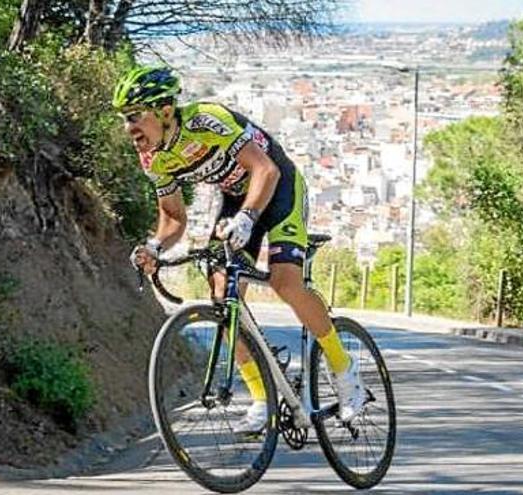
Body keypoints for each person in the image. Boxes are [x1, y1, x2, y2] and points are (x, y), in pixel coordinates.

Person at [119, 65, 365, 432]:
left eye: (135, 117)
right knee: (223, 297)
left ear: (165, 111)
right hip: (237, 201)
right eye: (125, 119)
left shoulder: (207, 120)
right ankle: (263, 398)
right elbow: (173, 217)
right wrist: (154, 246)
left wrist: (249, 217)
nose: (128, 128)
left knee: (285, 283)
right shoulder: (154, 158)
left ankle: (345, 371)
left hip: (278, 189)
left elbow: (265, 170)